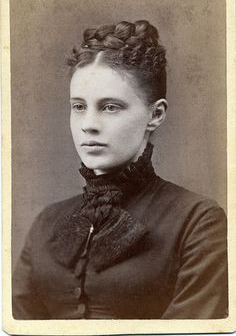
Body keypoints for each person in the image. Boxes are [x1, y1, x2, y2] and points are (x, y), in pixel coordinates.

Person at [12, 20, 228, 319]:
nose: (88, 124)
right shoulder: (47, 223)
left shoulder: (197, 221)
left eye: (110, 107)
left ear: (156, 114)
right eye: (78, 106)